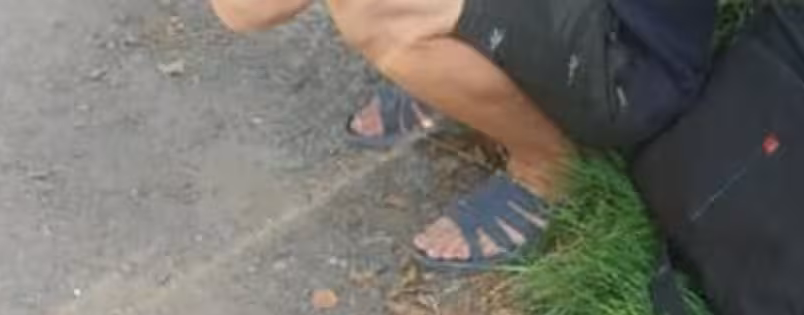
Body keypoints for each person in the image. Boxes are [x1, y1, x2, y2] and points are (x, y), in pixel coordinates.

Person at [210, 0, 719, 270]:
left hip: (632, 59)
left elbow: (247, 9)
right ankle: (459, 58)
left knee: (376, 10)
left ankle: (548, 167)